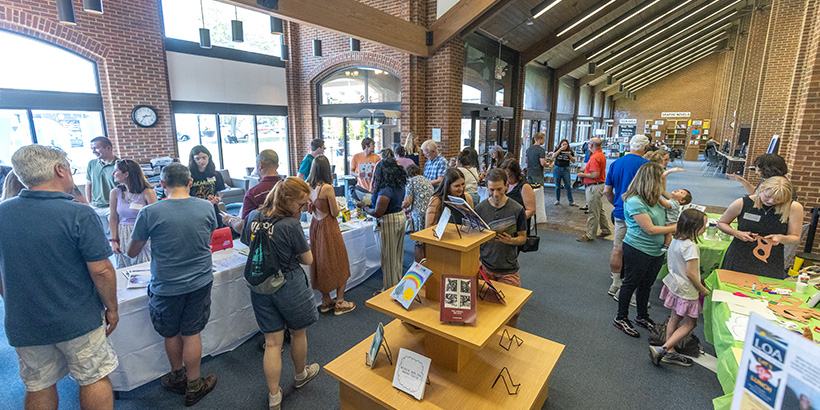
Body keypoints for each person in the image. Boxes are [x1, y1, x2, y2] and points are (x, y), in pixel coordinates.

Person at [0, 145, 119, 410]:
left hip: (25, 321)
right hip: (78, 318)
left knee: (39, 385)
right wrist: (112, 307)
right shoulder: (79, 213)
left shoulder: (2, 212)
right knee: (93, 377)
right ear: (59, 169)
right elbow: (101, 270)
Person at [128, 163, 218, 406]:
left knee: (171, 332)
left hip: (165, 285)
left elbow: (132, 251)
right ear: (190, 183)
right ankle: (195, 384)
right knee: (192, 333)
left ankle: (177, 375)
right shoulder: (207, 207)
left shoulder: (150, 213)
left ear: (162, 185)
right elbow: (207, 239)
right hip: (199, 280)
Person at [239, 177, 321, 410]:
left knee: (272, 342)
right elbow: (308, 259)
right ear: (287, 200)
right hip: (289, 283)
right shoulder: (290, 225)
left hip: (260, 283)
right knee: (298, 333)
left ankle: (274, 395)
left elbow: (248, 242)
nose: (303, 209)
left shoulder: (254, 215)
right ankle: (299, 374)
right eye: (301, 204)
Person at [613, 163, 677, 338]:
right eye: (659, 180)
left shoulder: (654, 197)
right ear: (651, 181)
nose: (662, 185)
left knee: (646, 285)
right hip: (637, 248)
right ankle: (621, 317)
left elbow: (673, 202)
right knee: (630, 283)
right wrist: (675, 228)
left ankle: (642, 316)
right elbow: (649, 229)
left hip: (655, 250)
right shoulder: (634, 200)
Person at [650, 209, 710, 367]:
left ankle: (669, 350)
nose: (706, 227)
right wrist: (702, 290)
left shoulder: (675, 240)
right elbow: (691, 273)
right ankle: (664, 349)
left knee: (674, 317)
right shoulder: (691, 247)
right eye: (704, 224)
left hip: (675, 285)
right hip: (687, 290)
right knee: (690, 324)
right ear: (694, 227)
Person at [718, 176, 804, 279]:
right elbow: (722, 223)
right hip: (740, 255)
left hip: (770, 259)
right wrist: (737, 233)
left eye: (777, 199)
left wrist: (781, 238)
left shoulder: (794, 207)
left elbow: (795, 237)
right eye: (767, 197)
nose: (771, 201)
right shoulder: (742, 203)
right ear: (761, 189)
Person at [475, 169, 527, 327]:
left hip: (508, 268)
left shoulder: (517, 209)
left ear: (507, 186)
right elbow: (474, 239)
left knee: (513, 311)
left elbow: (523, 238)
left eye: (499, 189)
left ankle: (508, 338)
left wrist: (510, 241)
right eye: (491, 190)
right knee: (483, 308)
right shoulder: (480, 209)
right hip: (485, 267)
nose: (495, 194)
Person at [306, 155, 356, 316]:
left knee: (320, 263)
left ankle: (326, 300)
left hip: (315, 226)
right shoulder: (327, 188)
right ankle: (340, 302)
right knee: (340, 261)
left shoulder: (308, 186)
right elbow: (334, 212)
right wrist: (339, 207)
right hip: (328, 227)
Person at [604, 134, 650, 298]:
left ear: (630, 145)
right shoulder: (647, 166)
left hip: (620, 212)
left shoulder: (616, 163)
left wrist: (615, 203)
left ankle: (616, 282)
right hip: (640, 215)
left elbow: (607, 191)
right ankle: (631, 286)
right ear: (646, 148)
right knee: (638, 251)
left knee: (617, 248)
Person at [357, 158, 406, 293]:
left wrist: (364, 208)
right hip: (399, 217)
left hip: (388, 222)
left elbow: (378, 212)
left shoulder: (385, 190)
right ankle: (397, 286)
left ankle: (389, 291)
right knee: (396, 256)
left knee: (388, 258)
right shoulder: (398, 184)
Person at [109, 159, 158, 268]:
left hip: (142, 236)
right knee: (124, 269)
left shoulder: (148, 192)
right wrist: (114, 241)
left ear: (126, 174)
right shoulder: (115, 192)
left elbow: (156, 218)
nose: (113, 174)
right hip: (123, 235)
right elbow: (113, 219)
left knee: (144, 267)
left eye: (116, 171)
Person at [224, 150, 282, 233]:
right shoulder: (289, 188)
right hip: (288, 238)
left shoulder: (254, 193)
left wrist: (231, 221)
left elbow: (244, 227)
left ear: (260, 165)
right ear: (277, 166)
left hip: (264, 241)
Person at [577, 138, 611, 242]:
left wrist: (582, 174)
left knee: (592, 211)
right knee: (598, 210)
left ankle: (590, 234)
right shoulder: (600, 155)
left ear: (591, 146)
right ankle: (606, 229)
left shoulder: (595, 157)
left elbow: (595, 174)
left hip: (593, 186)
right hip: (598, 185)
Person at [86, 136, 119, 233]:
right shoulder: (92, 164)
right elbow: (89, 184)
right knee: (100, 235)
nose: (93, 151)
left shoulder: (120, 164)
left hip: (113, 207)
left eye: (96, 148)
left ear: (108, 148)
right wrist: (89, 203)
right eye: (92, 148)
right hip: (96, 206)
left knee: (116, 236)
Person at [726, 153, 795, 199]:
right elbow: (755, 192)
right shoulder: (767, 180)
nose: (756, 172)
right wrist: (742, 180)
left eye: (759, 170)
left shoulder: (780, 185)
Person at [188, 145, 226, 227]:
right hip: (194, 209)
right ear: (193, 160)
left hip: (212, 208)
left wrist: (216, 199)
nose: (201, 161)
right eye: (198, 159)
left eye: (204, 158)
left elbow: (219, 195)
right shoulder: (189, 175)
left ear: (209, 157)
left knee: (217, 229)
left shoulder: (216, 174)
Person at [403, 165, 434, 262]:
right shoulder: (426, 180)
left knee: (418, 243)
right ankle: (428, 264)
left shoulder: (411, 182)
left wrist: (400, 208)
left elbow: (408, 201)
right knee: (427, 242)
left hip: (419, 216)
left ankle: (419, 266)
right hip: (430, 213)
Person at [550, 138, 576, 206]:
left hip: (565, 169)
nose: (564, 146)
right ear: (560, 144)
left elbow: (573, 160)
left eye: (566, 144)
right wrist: (560, 150)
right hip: (557, 168)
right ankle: (557, 200)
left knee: (567, 185)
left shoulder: (570, 151)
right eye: (563, 144)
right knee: (557, 185)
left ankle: (571, 201)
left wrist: (569, 155)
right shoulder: (557, 150)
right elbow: (553, 156)